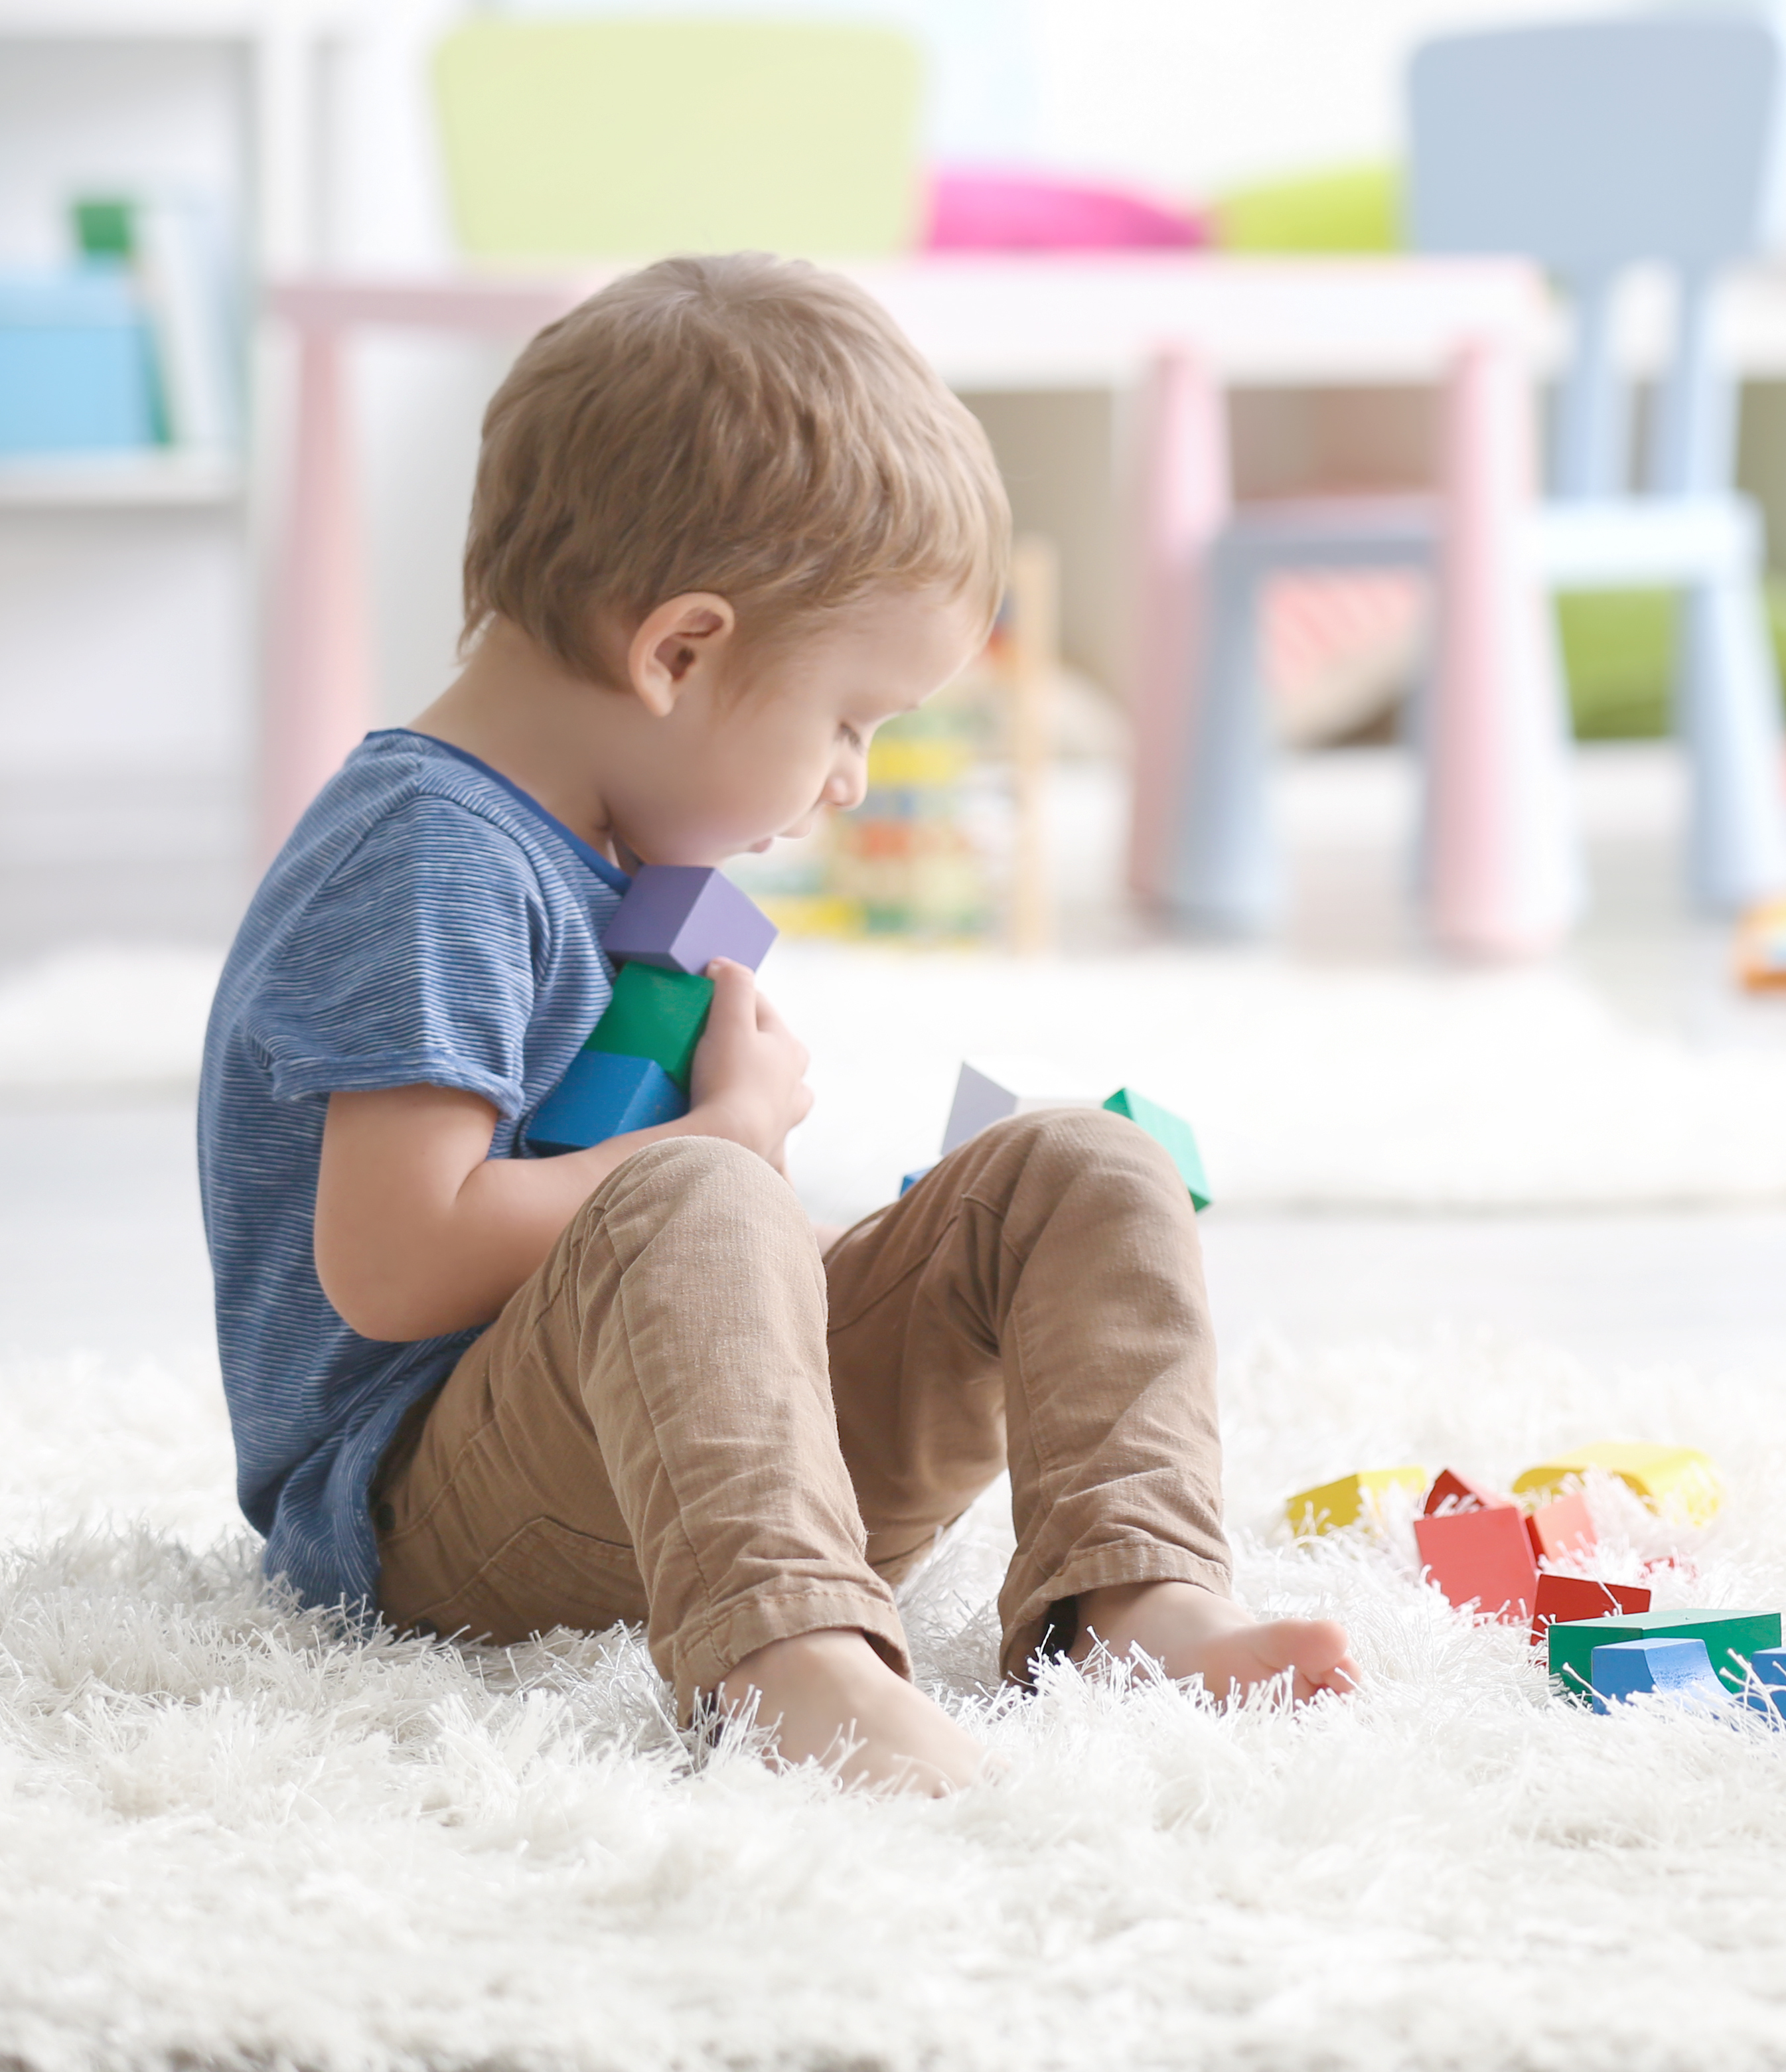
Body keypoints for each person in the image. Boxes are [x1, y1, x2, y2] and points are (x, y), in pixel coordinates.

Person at [198, 255, 1352, 1797]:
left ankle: (1133, 1600)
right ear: (678, 651)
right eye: (849, 721)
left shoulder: (605, 848)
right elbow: (396, 1258)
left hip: (675, 1458)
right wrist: (720, 1142)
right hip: (429, 1518)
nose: (853, 780)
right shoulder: (433, 852)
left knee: (1081, 1165)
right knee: (704, 1189)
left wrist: (782, 1227)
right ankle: (789, 1670)